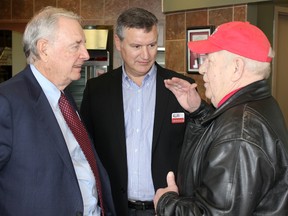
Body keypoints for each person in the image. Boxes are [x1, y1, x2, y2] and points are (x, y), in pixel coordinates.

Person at [80, 7, 207, 216]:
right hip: (116, 208)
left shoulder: (181, 86)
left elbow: (205, 141)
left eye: (152, 45)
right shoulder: (97, 90)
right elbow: (86, 150)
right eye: (137, 46)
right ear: (119, 44)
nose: (146, 55)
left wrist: (197, 109)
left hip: (168, 208)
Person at [153, 21, 288, 215]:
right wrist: (198, 110)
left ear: (236, 68)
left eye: (209, 60)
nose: (201, 69)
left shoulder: (240, 130)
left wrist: (166, 203)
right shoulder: (259, 104)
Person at [0, 6, 116, 216]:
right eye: (76, 46)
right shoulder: (7, 101)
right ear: (44, 49)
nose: (85, 54)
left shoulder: (64, 96)